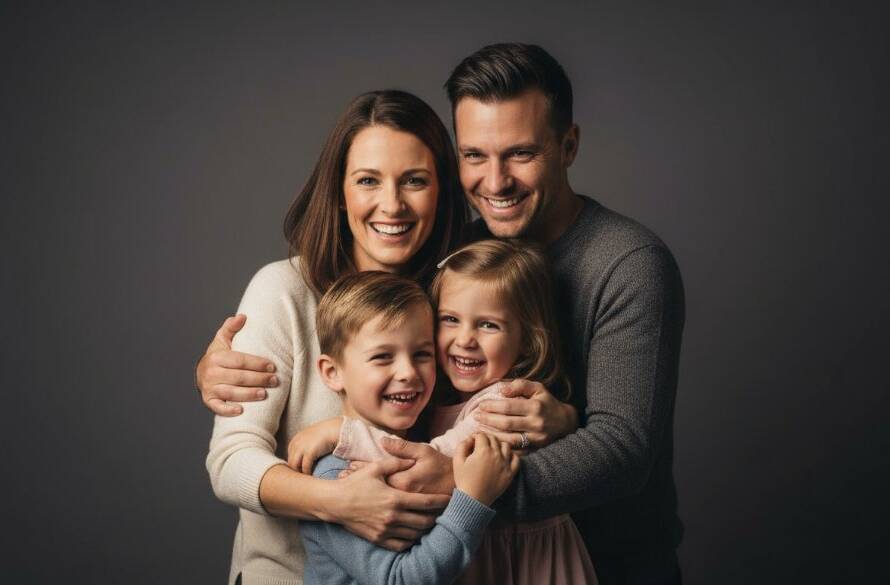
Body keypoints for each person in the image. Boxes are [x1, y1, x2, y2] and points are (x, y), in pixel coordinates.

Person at [200, 44, 685, 585]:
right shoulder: (320, 286)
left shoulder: (464, 275)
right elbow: (233, 457)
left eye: (520, 153)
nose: (495, 181)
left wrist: (566, 420)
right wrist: (336, 498)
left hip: (589, 564)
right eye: (475, 155)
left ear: (568, 145)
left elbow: (615, 442)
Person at [290, 239, 598, 585]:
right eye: (450, 319)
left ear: (526, 339)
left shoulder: (503, 404)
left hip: (525, 564)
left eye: (489, 325)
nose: (465, 339)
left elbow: (425, 464)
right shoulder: (337, 474)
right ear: (332, 372)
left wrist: (340, 431)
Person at [297, 269, 517, 585]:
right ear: (332, 372)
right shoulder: (335, 477)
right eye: (383, 357)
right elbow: (400, 579)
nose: (408, 372)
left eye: (421, 354)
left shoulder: (428, 441)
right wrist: (473, 500)